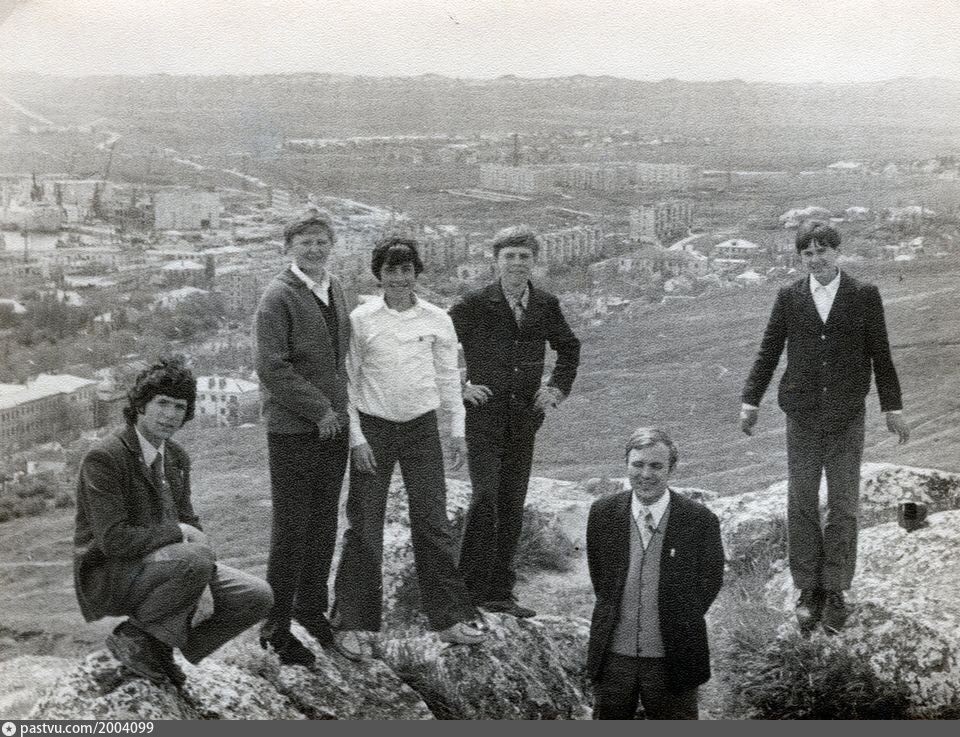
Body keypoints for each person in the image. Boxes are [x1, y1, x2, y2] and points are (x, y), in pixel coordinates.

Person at [740, 221, 909, 634]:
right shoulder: (789, 296)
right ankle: (807, 589)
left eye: (822, 251)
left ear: (837, 251)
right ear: (801, 257)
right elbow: (768, 351)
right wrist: (750, 401)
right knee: (800, 501)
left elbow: (881, 354)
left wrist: (893, 407)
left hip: (846, 416)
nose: (816, 260)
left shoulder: (863, 294)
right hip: (801, 415)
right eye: (808, 253)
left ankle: (835, 589)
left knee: (843, 504)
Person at [330, 235, 486, 660]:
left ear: (416, 272)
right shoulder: (361, 319)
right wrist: (357, 439)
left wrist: (457, 432)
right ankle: (352, 624)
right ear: (378, 274)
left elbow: (448, 378)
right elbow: (349, 383)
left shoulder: (437, 318)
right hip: (374, 431)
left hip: (421, 430)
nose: (399, 278)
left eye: (406, 269)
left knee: (433, 523)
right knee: (364, 525)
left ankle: (450, 620)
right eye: (390, 270)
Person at [73, 357, 273, 687]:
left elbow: (189, 519)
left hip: (168, 566)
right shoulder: (105, 457)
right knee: (195, 558)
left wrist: (204, 575)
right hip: (112, 573)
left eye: (180, 407)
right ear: (140, 405)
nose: (170, 415)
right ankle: (133, 637)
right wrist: (182, 536)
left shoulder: (176, 457)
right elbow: (113, 540)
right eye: (162, 403)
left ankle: (160, 647)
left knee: (256, 596)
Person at [450, 225, 580, 618]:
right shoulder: (474, 303)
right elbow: (438, 345)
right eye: (510, 256)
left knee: (512, 502)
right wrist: (459, 387)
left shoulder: (545, 304)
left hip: (525, 418)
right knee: (485, 499)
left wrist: (555, 389)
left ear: (534, 261)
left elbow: (569, 347)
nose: (517, 263)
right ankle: (466, 592)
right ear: (496, 260)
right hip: (484, 418)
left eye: (525, 256)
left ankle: (499, 593)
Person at [254, 209, 352, 666]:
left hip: (333, 428)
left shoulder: (335, 288)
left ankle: (310, 609)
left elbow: (338, 359)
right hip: (294, 429)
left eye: (321, 241)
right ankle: (274, 628)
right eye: (305, 241)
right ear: (289, 247)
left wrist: (337, 415)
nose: (314, 249)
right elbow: (271, 367)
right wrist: (320, 410)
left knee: (323, 523)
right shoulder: (278, 296)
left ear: (331, 245)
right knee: (292, 527)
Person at [586, 427, 724, 720]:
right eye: (637, 465)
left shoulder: (699, 520)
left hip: (673, 658)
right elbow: (602, 579)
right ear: (626, 465)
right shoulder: (603, 513)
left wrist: (678, 621)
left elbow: (710, 582)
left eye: (656, 466)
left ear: (672, 468)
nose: (645, 474)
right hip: (613, 659)